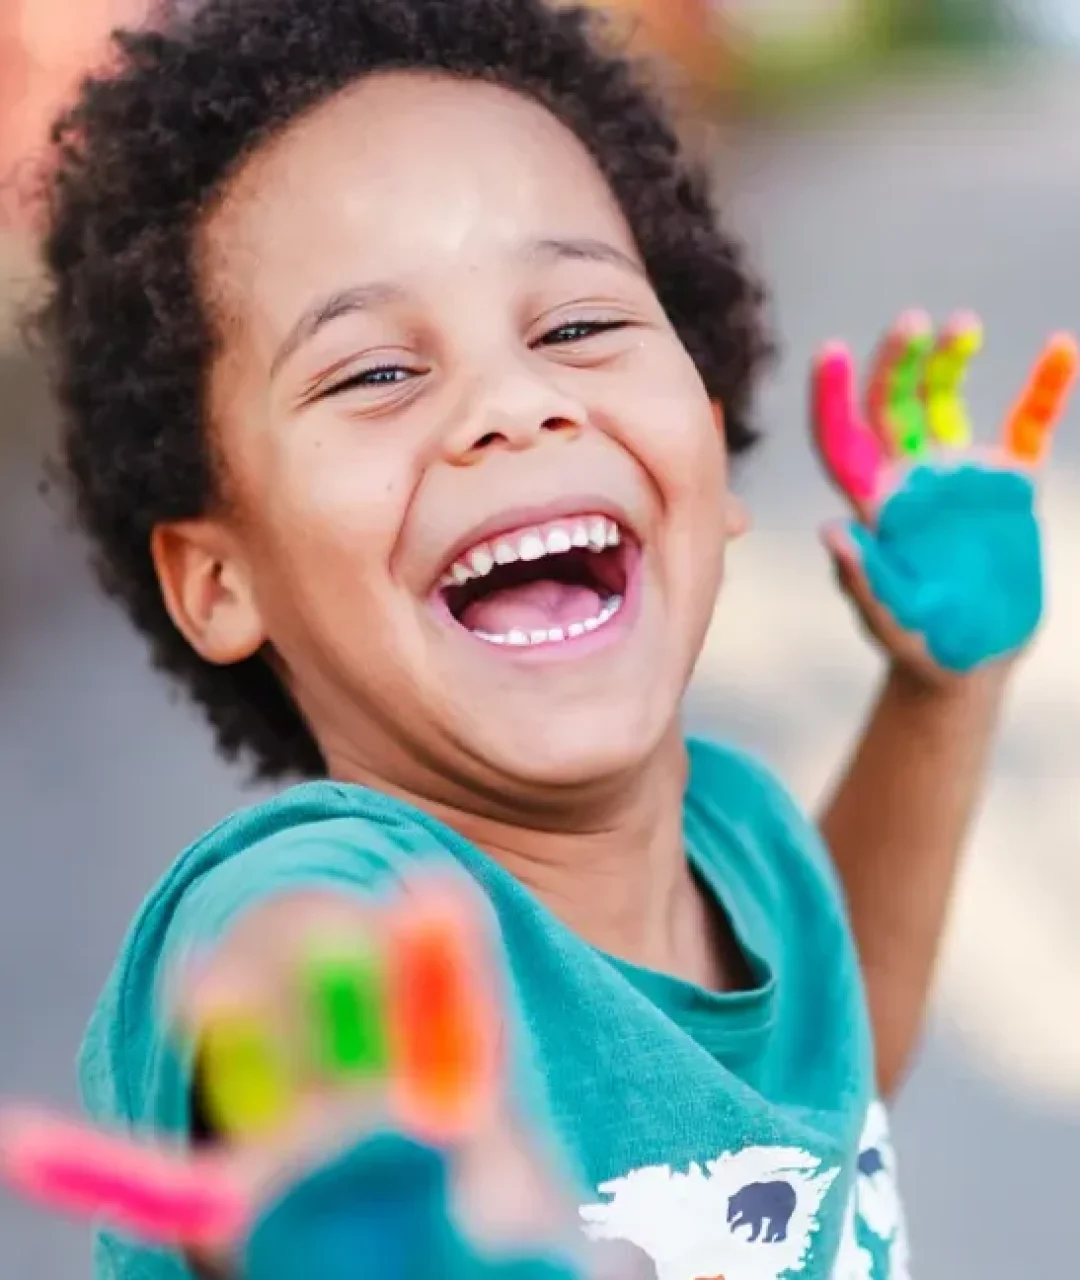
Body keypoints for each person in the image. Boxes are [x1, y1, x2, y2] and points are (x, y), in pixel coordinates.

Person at [17, 0, 1072, 1277]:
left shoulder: (742, 835)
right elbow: (296, 984)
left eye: (576, 326)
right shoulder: (323, 891)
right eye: (374, 373)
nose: (515, 404)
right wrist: (371, 1185)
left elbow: (833, 1084)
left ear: (710, 422)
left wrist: (942, 695)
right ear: (218, 578)